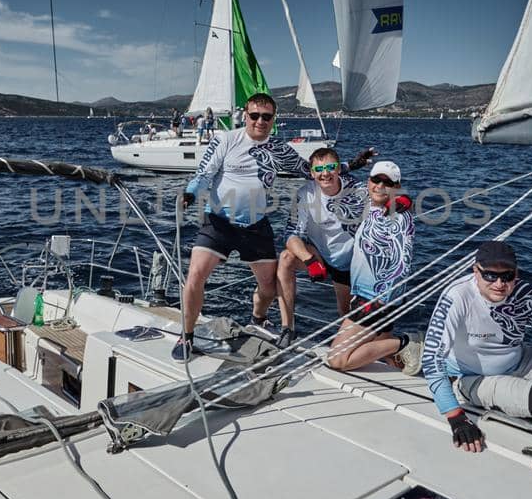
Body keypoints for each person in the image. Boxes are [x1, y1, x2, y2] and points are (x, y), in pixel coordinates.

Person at [176, 93, 370, 361]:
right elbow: (204, 173)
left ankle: (259, 319)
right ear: (245, 115)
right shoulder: (226, 139)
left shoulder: (278, 148)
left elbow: (309, 170)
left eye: (266, 117)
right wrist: (189, 193)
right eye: (254, 115)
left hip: (255, 225)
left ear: (273, 119)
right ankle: (186, 337)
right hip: (219, 223)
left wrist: (351, 165)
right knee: (196, 275)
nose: (260, 121)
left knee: (268, 287)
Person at [423, 240, 532, 452]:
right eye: (490, 275)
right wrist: (455, 416)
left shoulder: (524, 293)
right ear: (475, 271)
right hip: (473, 377)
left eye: (507, 276)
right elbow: (431, 360)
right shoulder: (457, 297)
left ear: (516, 274)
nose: (499, 283)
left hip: (522, 358)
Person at [264, 146, 367, 348]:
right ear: (312, 173)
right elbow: (291, 234)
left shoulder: (358, 190)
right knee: (286, 259)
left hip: (347, 261)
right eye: (319, 169)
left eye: (330, 167)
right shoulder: (305, 194)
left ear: (339, 169)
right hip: (318, 255)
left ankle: (354, 344)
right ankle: (288, 328)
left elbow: (383, 199)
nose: (325, 173)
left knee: (345, 313)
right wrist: (309, 260)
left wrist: (397, 200)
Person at [326, 160, 420, 373]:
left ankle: (407, 342)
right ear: (368, 181)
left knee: (338, 359)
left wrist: (382, 297)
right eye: (375, 179)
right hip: (364, 293)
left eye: (387, 182)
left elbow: (402, 262)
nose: (379, 185)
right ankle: (401, 356)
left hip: (375, 297)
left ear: (396, 187)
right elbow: (336, 177)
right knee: (386, 354)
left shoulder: (398, 215)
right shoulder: (371, 204)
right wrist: (356, 162)